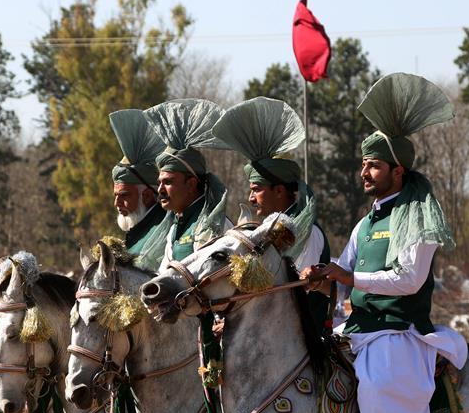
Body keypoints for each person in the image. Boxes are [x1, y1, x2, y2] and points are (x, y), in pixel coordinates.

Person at [305, 73, 468, 413]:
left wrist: (347, 275)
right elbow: (343, 268)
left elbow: (409, 280)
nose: (364, 172)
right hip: (358, 331)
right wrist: (320, 278)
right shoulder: (364, 223)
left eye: (374, 165)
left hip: (399, 335)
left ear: (398, 171)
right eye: (363, 164)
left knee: (376, 391)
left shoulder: (419, 220)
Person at [212, 96, 333, 336]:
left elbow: (292, 291)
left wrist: (240, 321)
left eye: (256, 189)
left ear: (279, 191)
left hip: (300, 343)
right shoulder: (264, 230)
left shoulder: (307, 233)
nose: (250, 197)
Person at [140, 98, 232, 269]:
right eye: (159, 183)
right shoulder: (175, 224)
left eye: (167, 182)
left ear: (190, 184)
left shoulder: (213, 224)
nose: (160, 190)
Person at [109, 108, 168, 259]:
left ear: (147, 195)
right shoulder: (139, 229)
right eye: (115, 196)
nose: (117, 203)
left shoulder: (165, 228)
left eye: (124, 195)